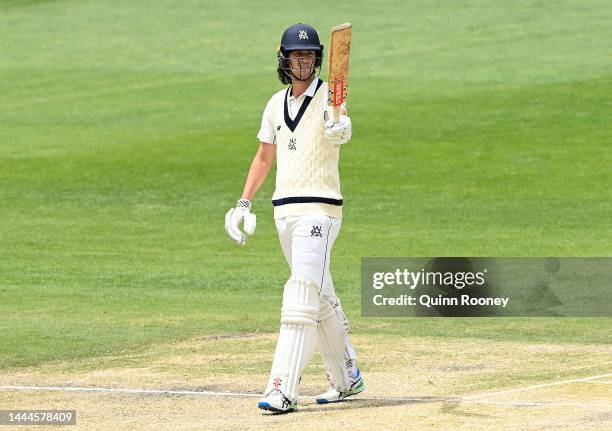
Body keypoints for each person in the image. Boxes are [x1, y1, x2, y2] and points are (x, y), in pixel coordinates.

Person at [224, 22, 364, 414]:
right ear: (284, 60)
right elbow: (264, 156)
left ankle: (283, 388)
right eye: (296, 55)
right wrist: (243, 203)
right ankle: (347, 376)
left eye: (309, 55)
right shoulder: (273, 104)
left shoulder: (329, 99)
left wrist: (341, 127)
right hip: (283, 212)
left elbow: (341, 127)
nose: (303, 62)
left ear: (318, 59)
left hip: (319, 210)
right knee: (319, 298)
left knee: (300, 294)